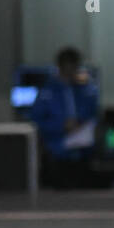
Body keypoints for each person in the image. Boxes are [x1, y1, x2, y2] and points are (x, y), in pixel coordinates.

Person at [30, 46, 100, 189]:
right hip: (57, 153)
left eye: (74, 69)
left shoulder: (86, 90)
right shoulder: (47, 92)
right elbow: (37, 122)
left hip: (83, 153)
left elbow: (93, 115)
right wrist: (61, 126)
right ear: (60, 68)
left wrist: (81, 123)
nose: (71, 74)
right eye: (67, 70)